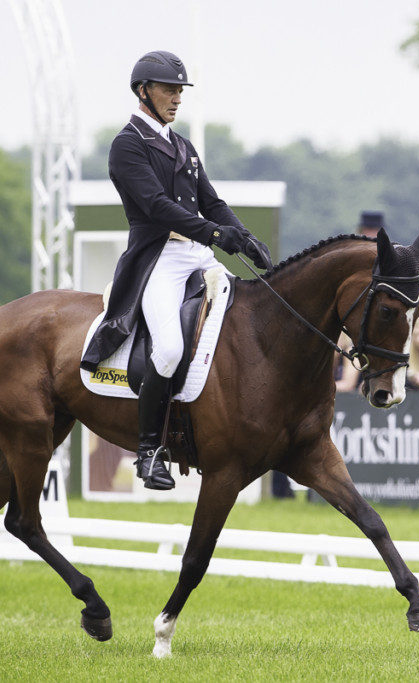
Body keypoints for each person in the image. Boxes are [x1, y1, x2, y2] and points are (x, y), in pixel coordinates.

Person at [79, 51, 272, 491]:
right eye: (169, 89)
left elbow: (213, 202)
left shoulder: (182, 146)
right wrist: (214, 235)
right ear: (143, 91)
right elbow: (156, 207)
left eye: (180, 90)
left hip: (198, 256)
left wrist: (244, 236)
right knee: (167, 349)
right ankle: (149, 452)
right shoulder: (127, 144)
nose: (177, 98)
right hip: (158, 259)